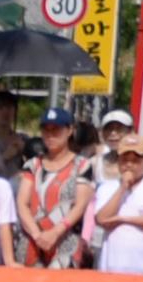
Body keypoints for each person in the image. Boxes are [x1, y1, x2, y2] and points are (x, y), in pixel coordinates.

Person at [16, 109, 92, 269]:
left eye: (56, 130)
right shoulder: (32, 165)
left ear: (69, 130)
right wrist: (37, 235)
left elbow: (80, 205)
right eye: (46, 130)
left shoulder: (82, 165)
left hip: (66, 238)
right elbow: (22, 203)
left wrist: (56, 232)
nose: (50, 135)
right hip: (33, 238)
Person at [87, 139, 143, 276]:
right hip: (112, 269)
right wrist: (122, 188)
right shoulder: (107, 188)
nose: (129, 165)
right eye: (125, 160)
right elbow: (101, 219)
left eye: (135, 160)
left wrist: (123, 219)